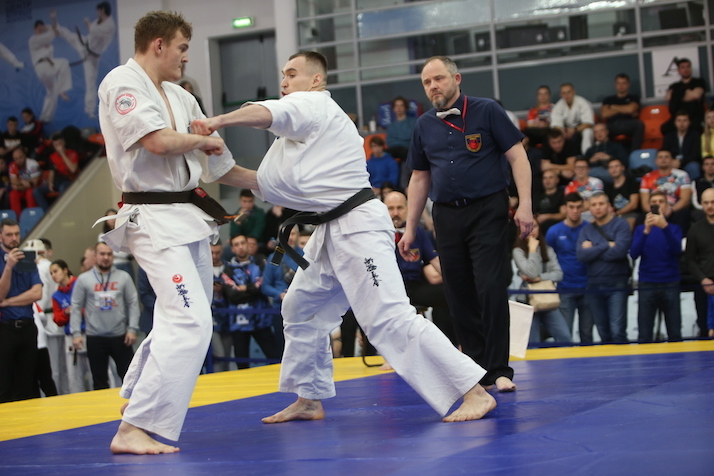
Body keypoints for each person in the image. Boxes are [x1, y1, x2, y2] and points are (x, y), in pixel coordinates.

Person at [191, 51, 497, 423]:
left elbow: (268, 113)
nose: (284, 81)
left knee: (389, 317)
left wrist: (218, 121)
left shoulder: (316, 106)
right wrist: (208, 152)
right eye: (282, 75)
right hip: (329, 230)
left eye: (292, 73)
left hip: (358, 227)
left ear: (316, 80)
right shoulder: (300, 140)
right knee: (300, 307)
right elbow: (255, 180)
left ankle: (474, 391)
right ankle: (309, 398)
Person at [97, 10, 258, 454]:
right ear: (159, 45)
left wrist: (279, 184)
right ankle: (133, 426)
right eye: (182, 48)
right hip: (151, 219)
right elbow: (156, 141)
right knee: (190, 320)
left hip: (188, 216)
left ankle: (137, 395)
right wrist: (200, 140)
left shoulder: (181, 96)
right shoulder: (121, 83)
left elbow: (220, 166)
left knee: (181, 318)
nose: (186, 57)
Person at [398, 55, 533, 392]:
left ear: (456, 79)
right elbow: (419, 178)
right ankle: (476, 369)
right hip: (446, 215)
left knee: (489, 287)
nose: (433, 86)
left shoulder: (487, 110)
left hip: (488, 209)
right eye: (427, 82)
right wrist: (411, 228)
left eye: (439, 79)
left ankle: (499, 369)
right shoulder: (424, 125)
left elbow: (517, 156)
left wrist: (526, 204)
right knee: (458, 292)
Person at [385, 190, 457, 345]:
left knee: (453, 293)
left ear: (407, 209)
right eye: (390, 208)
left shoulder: (417, 232)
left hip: (414, 286)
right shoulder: (377, 234)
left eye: (400, 208)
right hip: (388, 290)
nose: (395, 213)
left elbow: (435, 260)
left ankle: (450, 346)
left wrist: (455, 281)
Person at [70, 242, 139, 390]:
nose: (106, 257)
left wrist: (132, 329)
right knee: (99, 381)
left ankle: (132, 404)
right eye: (102, 254)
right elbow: (76, 306)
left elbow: (133, 303)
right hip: (95, 337)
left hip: (120, 336)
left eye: (109, 254)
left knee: (130, 378)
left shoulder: (124, 277)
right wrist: (76, 333)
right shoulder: (84, 279)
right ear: (95, 256)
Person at [577, 191, 632, 343]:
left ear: (608, 205)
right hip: (593, 285)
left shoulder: (621, 224)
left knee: (617, 331)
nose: (597, 208)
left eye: (601, 204)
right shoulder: (586, 229)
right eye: (594, 205)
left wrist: (593, 249)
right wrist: (606, 245)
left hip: (617, 283)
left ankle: (623, 358)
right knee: (603, 332)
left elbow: (620, 252)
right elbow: (581, 255)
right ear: (589, 208)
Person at [629, 191, 682, 342]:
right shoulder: (640, 229)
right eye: (654, 202)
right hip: (647, 283)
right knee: (644, 333)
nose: (657, 205)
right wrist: (646, 231)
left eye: (661, 202)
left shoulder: (674, 228)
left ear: (667, 206)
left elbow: (677, 251)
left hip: (670, 282)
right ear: (649, 207)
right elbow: (633, 254)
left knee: (675, 332)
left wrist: (664, 227)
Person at [0, 218, 43, 402]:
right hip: (5, 327)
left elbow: (37, 293)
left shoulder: (28, 259)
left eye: (16, 234)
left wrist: (8, 302)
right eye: (9, 234)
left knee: (26, 383)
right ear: (1, 237)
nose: (14, 238)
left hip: (27, 326)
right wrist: (8, 267)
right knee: (4, 384)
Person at [51, 3, 116, 118]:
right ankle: (54, 21)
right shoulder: (99, 21)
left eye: (98, 10)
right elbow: (93, 32)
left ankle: (89, 110)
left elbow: (94, 31)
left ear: (102, 10)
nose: (97, 13)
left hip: (92, 57)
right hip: (85, 44)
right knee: (67, 34)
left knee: (90, 81)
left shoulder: (109, 25)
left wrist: (88, 23)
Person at [224, 234, 277, 369]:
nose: (241, 247)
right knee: (241, 362)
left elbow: (264, 287)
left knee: (274, 357)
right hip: (239, 323)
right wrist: (253, 289)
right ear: (232, 249)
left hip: (262, 319)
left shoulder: (260, 263)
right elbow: (233, 295)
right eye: (236, 245)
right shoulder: (228, 269)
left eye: (243, 243)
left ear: (248, 245)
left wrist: (245, 288)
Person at [546, 193, 594, 342]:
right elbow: (548, 258)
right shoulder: (554, 231)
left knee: (587, 334)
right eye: (571, 207)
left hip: (588, 286)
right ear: (564, 208)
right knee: (565, 336)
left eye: (578, 207)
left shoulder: (591, 229)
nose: (575, 211)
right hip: (564, 287)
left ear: (583, 208)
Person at [512, 222, 571, 344]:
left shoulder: (547, 249)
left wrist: (540, 278)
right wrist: (532, 249)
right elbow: (531, 273)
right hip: (527, 301)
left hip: (547, 298)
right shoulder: (518, 251)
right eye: (527, 227)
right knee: (533, 342)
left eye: (535, 226)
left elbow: (558, 274)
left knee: (565, 337)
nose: (532, 230)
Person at [262, 226, 303, 354]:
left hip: (303, 309)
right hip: (280, 310)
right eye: (286, 234)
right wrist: (279, 294)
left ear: (298, 235)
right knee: (282, 349)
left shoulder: (306, 255)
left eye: (293, 233)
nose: (290, 237)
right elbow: (265, 286)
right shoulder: (275, 257)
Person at [28, 16, 72, 123]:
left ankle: (45, 118)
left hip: (48, 66)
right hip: (41, 66)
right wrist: (49, 25)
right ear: (34, 29)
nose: (41, 30)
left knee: (52, 92)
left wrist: (52, 22)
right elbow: (52, 34)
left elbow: (55, 32)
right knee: (64, 62)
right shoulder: (33, 40)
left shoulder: (48, 44)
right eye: (38, 28)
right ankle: (62, 90)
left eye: (41, 28)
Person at [639, 149, 692, 234]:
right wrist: (654, 212)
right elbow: (645, 202)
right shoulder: (647, 177)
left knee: (683, 214)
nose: (663, 159)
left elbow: (685, 200)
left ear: (672, 160)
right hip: (654, 209)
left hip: (674, 209)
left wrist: (671, 209)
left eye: (666, 157)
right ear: (656, 161)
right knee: (641, 217)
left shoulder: (682, 175)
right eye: (660, 157)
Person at [685, 188, 714, 337]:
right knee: (704, 328)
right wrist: (703, 279)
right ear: (701, 204)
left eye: (713, 202)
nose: (710, 206)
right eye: (706, 203)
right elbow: (689, 259)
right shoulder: (695, 229)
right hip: (703, 286)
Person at [33, 132, 80, 211]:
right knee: (36, 191)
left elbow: (73, 170)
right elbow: (52, 171)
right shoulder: (52, 156)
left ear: (64, 142)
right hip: (58, 180)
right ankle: (48, 213)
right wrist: (50, 183)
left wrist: (63, 154)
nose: (58, 147)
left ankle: (60, 211)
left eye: (60, 144)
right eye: (56, 145)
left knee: (62, 188)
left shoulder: (72, 153)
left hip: (70, 180)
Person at [662, 58, 708, 135]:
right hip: (678, 116)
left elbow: (696, 95)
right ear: (678, 70)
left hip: (695, 116)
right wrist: (687, 92)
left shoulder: (699, 82)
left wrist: (677, 95)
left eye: (688, 66)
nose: (686, 69)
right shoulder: (674, 85)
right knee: (665, 128)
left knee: (695, 128)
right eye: (683, 67)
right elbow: (668, 98)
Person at [600, 73, 644, 151]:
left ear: (628, 85)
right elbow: (604, 114)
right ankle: (604, 152)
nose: (621, 86)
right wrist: (624, 109)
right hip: (612, 125)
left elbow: (631, 109)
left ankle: (635, 153)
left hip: (628, 124)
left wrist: (612, 107)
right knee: (599, 128)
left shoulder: (633, 97)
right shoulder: (608, 99)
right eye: (618, 83)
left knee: (639, 125)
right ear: (615, 84)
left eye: (624, 83)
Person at [550, 82, 595, 154]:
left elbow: (589, 123)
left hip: (580, 129)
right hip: (567, 130)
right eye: (564, 93)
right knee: (555, 135)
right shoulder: (558, 106)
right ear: (561, 94)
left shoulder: (582, 102)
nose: (567, 95)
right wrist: (562, 131)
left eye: (569, 92)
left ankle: (587, 155)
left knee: (587, 131)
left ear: (574, 92)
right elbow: (555, 125)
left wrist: (574, 130)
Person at [662, 111, 702, 180]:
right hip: (672, 163)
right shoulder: (669, 136)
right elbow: (665, 151)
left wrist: (680, 161)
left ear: (689, 122)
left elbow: (695, 155)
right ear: (675, 122)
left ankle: (695, 185)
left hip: (688, 163)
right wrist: (671, 161)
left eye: (684, 120)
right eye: (679, 120)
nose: (681, 123)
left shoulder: (695, 135)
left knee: (694, 166)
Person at [604, 157, 640, 230]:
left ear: (622, 168)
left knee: (628, 224)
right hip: (614, 215)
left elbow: (633, 205)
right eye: (611, 167)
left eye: (616, 166)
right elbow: (608, 204)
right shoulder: (608, 187)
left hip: (631, 214)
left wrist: (617, 213)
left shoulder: (632, 182)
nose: (614, 169)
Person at [99, 209, 134, 280]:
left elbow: (130, 251)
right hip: (112, 264)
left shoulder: (125, 232)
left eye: (114, 216)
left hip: (126, 263)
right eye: (110, 217)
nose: (112, 219)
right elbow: (105, 252)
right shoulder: (102, 236)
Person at [8, 147, 41, 218]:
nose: (19, 160)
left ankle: (32, 216)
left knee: (30, 192)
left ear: (24, 155)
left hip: (36, 187)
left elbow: (33, 183)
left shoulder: (33, 163)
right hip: (23, 188)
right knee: (13, 194)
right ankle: (17, 218)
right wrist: (23, 182)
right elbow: (13, 182)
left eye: (20, 157)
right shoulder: (12, 165)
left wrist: (18, 185)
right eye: (16, 159)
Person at [385, 96, 416, 162]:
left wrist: (399, 140)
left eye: (401, 105)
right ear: (393, 108)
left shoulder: (413, 122)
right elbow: (389, 142)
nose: (399, 108)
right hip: (395, 150)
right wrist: (404, 140)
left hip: (409, 150)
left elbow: (414, 139)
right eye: (396, 106)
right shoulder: (391, 126)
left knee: (407, 152)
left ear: (405, 107)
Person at [533, 169, 565, 235]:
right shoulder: (537, 196)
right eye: (545, 178)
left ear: (557, 180)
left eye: (551, 177)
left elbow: (563, 215)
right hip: (538, 227)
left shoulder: (562, 195)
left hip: (555, 226)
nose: (547, 180)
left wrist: (547, 216)